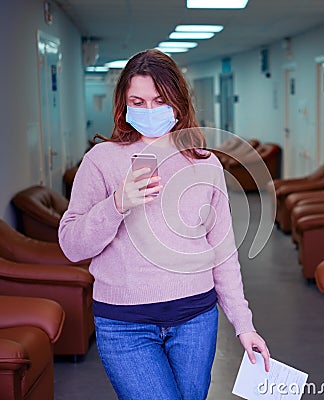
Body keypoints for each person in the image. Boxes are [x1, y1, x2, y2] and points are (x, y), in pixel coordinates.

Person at [59, 49, 270, 400]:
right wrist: (116, 204)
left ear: (177, 103)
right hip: (124, 325)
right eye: (137, 101)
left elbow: (222, 253)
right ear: (123, 104)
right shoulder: (101, 161)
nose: (149, 111)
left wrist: (243, 324)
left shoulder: (206, 165)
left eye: (159, 100)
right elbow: (71, 244)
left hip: (196, 321)